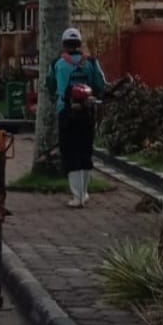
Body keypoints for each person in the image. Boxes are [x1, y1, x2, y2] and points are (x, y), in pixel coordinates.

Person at [51, 28, 107, 208]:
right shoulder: (91, 62)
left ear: (64, 44)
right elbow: (100, 84)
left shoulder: (58, 63)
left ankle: (76, 197)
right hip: (87, 113)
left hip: (66, 113)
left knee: (70, 151)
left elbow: (50, 85)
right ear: (80, 44)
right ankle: (84, 193)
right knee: (85, 150)